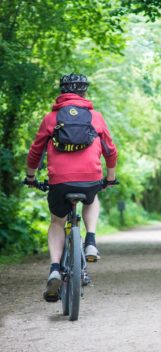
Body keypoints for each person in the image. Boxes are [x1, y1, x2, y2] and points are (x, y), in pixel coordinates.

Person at [25, 73, 118, 302]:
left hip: (59, 181)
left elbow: (36, 151)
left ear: (62, 92)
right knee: (92, 197)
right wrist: (110, 177)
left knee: (57, 220)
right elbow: (110, 150)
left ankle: (55, 267)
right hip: (89, 179)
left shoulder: (51, 118)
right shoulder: (95, 117)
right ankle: (91, 242)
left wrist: (30, 177)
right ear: (84, 92)